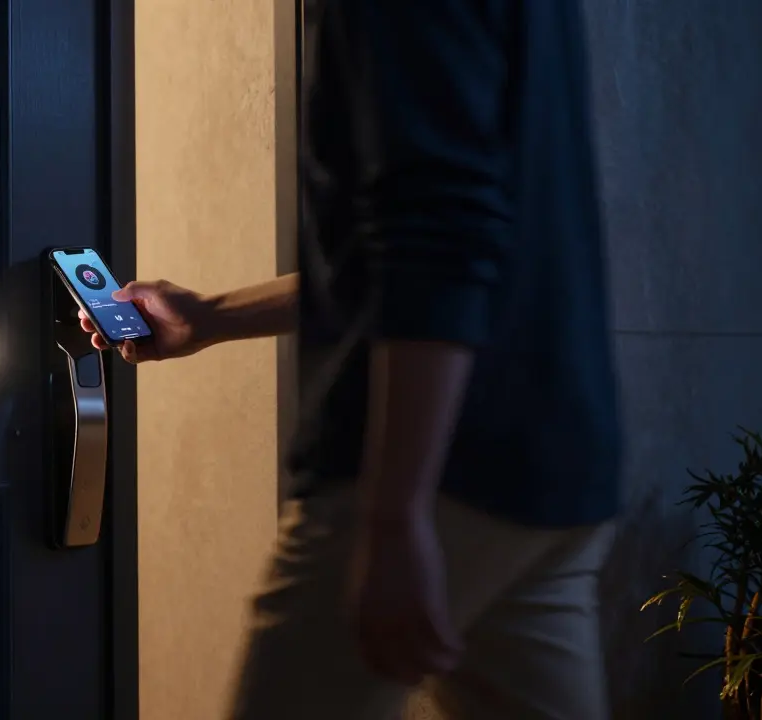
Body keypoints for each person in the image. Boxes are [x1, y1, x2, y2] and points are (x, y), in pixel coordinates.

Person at [81, 1, 621, 718]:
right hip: (557, 460)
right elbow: (425, 252)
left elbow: (437, 240)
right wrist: (210, 316)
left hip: (445, 468)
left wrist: (395, 512)